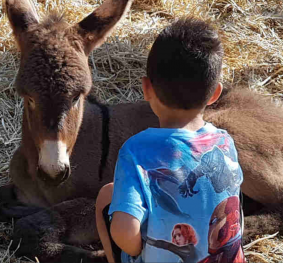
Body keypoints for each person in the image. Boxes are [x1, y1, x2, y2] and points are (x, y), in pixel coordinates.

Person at [95, 17, 245, 263]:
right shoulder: (225, 143)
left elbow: (126, 236)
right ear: (215, 94)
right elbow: (236, 214)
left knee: (106, 196)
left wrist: (136, 243)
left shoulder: (136, 151)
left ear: (146, 88)